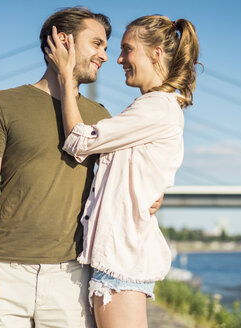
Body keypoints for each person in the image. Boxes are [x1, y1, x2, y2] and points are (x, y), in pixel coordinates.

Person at [0, 7, 162, 328]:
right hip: (3, 271)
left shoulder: (100, 115)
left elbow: (129, 176)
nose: (105, 54)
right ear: (62, 40)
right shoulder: (3, 104)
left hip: (71, 279)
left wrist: (153, 195)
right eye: (97, 43)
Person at [45, 14, 200, 328]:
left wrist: (64, 75)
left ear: (156, 52)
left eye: (127, 49)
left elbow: (78, 141)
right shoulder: (157, 107)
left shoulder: (156, 107)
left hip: (122, 263)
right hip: (118, 259)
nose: (118, 59)